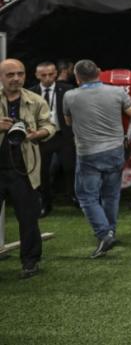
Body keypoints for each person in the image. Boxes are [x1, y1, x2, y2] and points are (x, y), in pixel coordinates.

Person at [63, 59, 131, 258]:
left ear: (77, 78)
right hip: (115, 151)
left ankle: (104, 233)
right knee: (111, 195)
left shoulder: (70, 96)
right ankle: (110, 232)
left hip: (88, 153)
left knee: (87, 197)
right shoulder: (117, 92)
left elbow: (68, 121)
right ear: (99, 72)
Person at [0, 58, 56, 278]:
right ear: (1, 77)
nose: (16, 78)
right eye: (10, 74)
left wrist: (37, 134)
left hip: (24, 170)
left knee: (28, 218)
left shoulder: (35, 100)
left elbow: (49, 126)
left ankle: (30, 262)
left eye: (20, 74)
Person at [30, 60, 75, 216]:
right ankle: (46, 202)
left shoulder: (68, 90)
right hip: (42, 136)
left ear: (56, 73)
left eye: (50, 74)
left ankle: (74, 196)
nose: (48, 78)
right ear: (37, 75)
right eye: (43, 75)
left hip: (63, 134)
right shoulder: (31, 92)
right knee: (43, 171)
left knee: (70, 167)